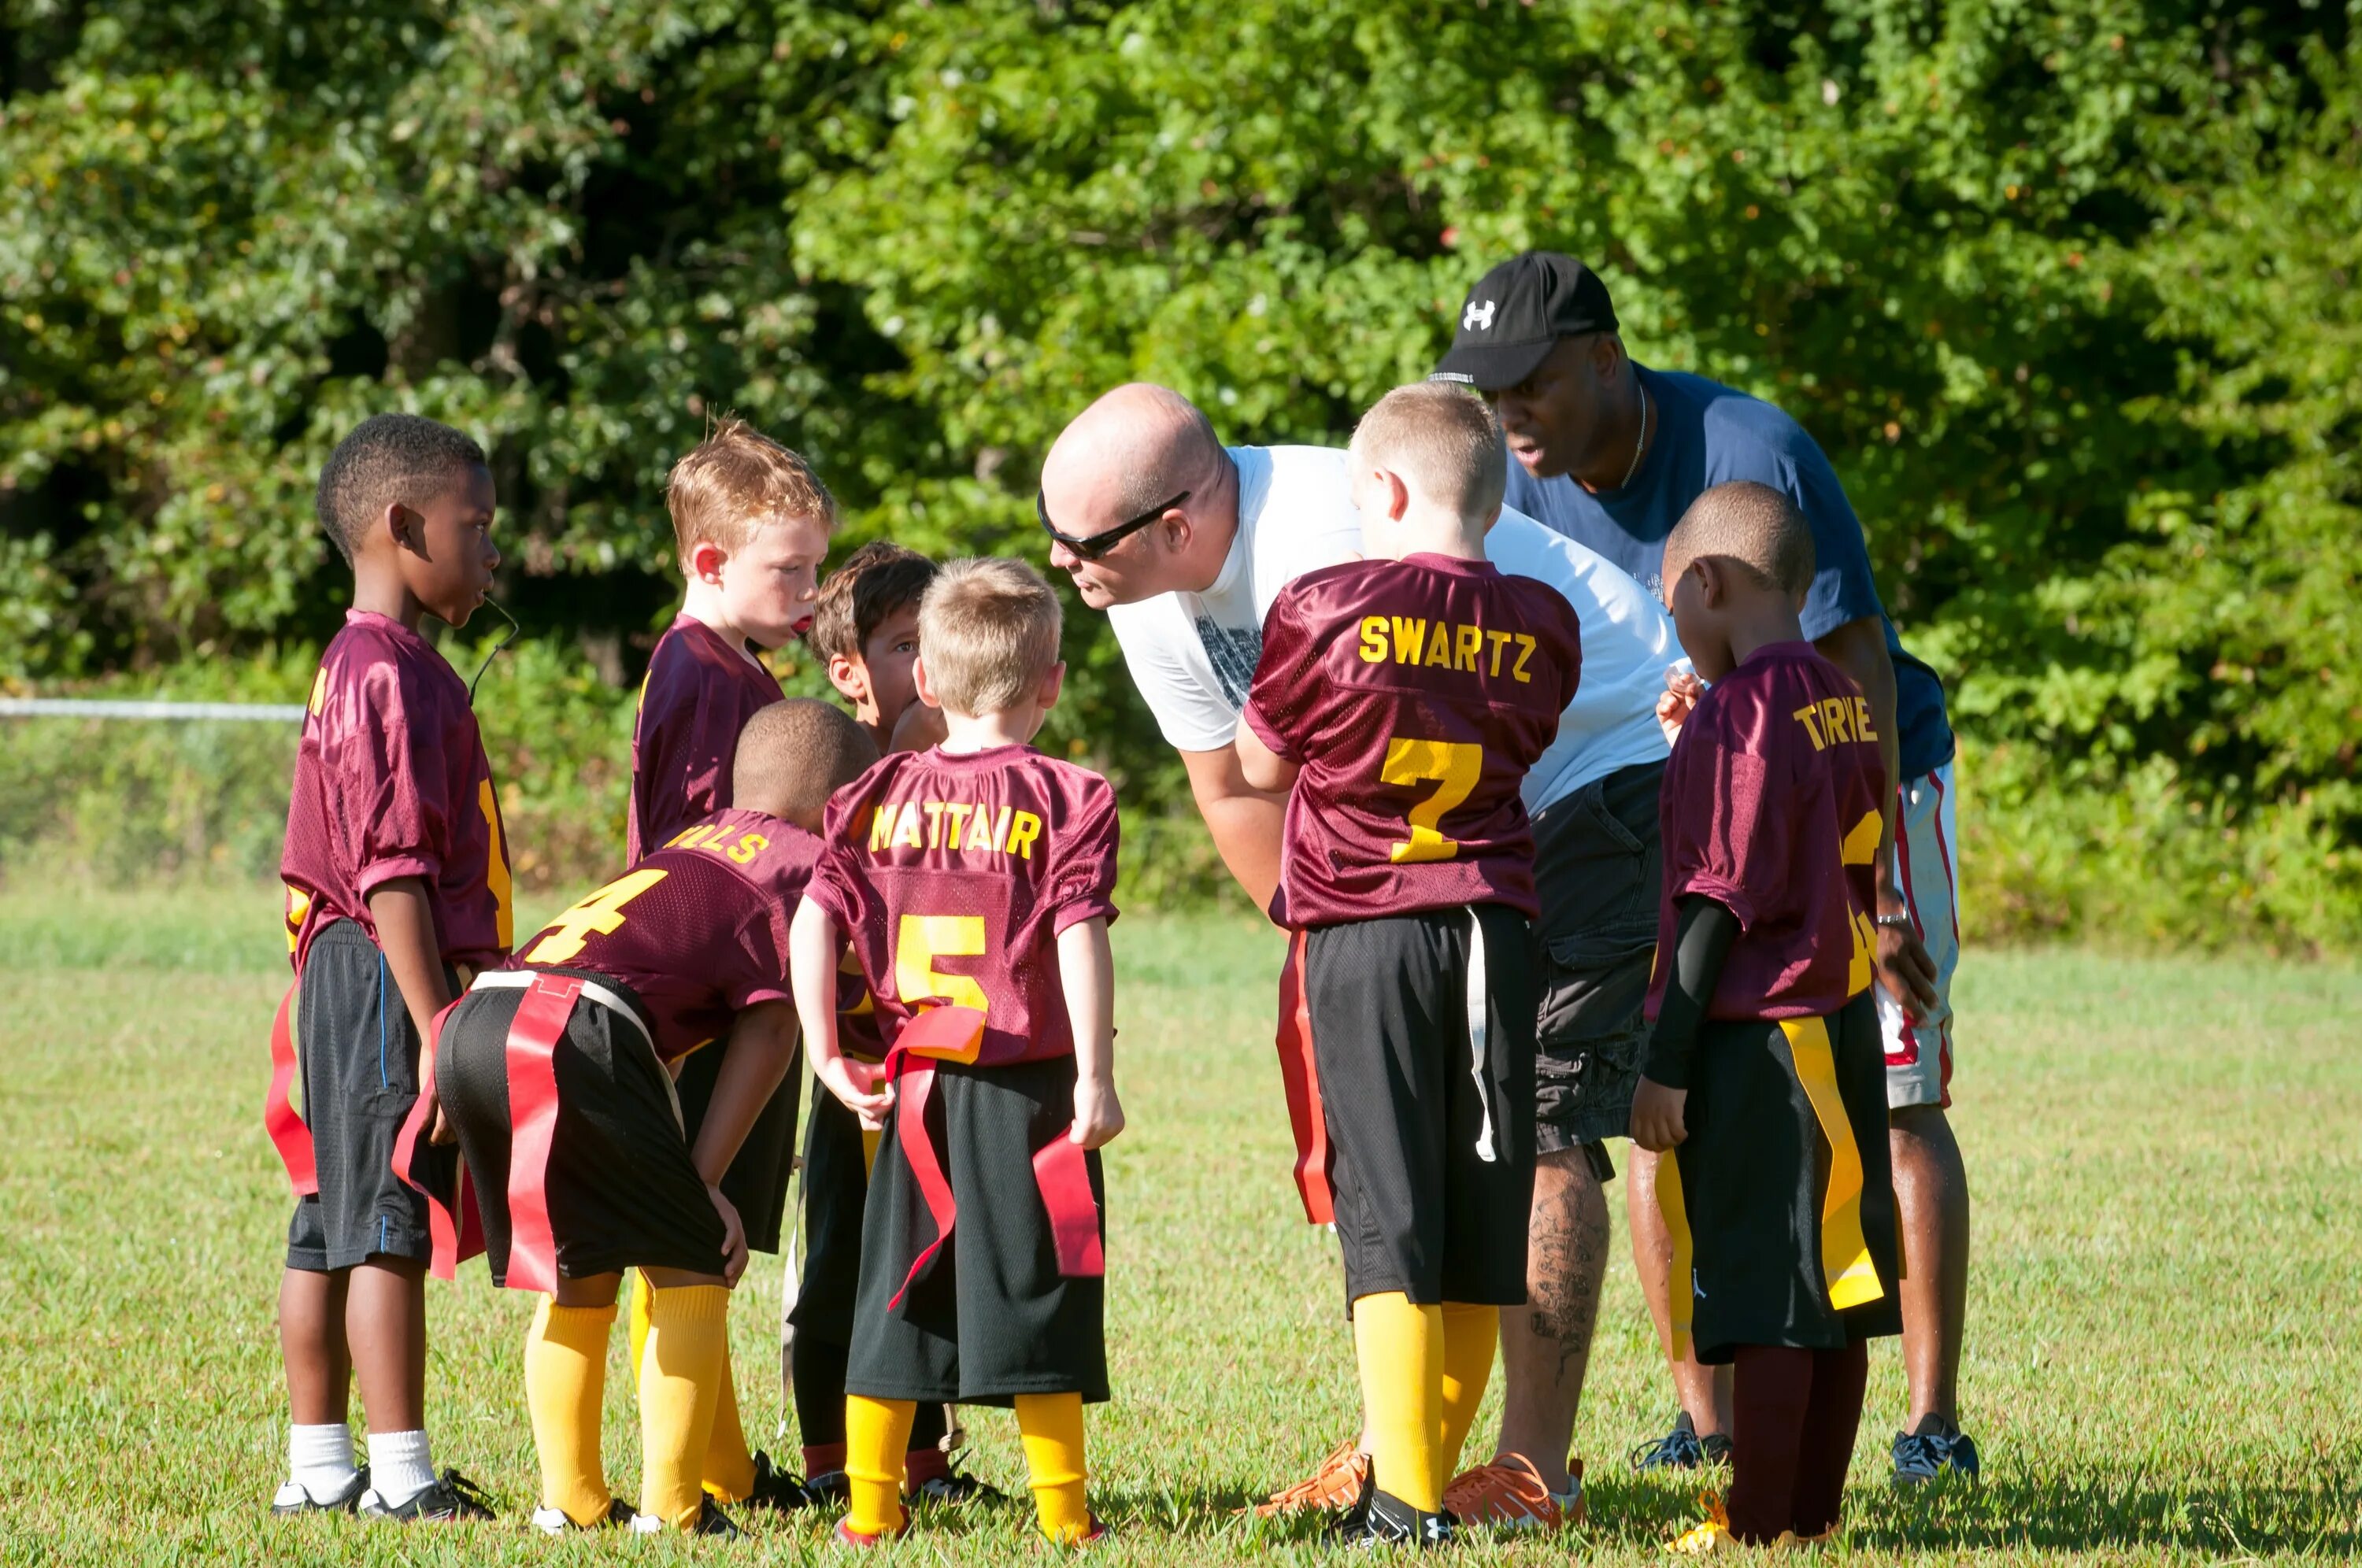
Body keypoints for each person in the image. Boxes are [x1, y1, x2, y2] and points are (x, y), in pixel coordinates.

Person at [1038, 383, 1680, 1525]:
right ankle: (1407, 1452)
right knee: (1411, 1150)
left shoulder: (1332, 546)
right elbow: (1229, 789)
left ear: (1174, 525)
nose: (1061, 564)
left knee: (1530, 1123)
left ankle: (1529, 1471)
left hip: (1601, 771)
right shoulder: (1145, 590)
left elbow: (1291, 765)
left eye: (1079, 544)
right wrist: (1323, 949)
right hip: (1454, 841)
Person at [1436, 251, 1975, 1481]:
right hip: (1673, 815)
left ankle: (1930, 1420)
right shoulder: (1510, 493)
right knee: (1657, 1104)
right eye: (1490, 390)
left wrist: (1878, 882)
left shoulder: (1748, 451)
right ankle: (1707, 1419)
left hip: (1855, 789)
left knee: (1891, 1092)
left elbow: (1859, 667)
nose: (1510, 413)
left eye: (1533, 382)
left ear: (1605, 359)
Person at [1234, 385, 1583, 1546]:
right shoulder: (1546, 617)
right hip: (1495, 922)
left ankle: (1404, 1495)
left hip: (1367, 922)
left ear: (1381, 490)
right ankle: (1423, 1477)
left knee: (1385, 1207)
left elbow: (1258, 760)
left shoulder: (1324, 602)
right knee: (1483, 1204)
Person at [427, 700, 874, 1537]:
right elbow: (773, 1025)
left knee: (580, 1272)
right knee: (694, 1263)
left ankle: (571, 1500)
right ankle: (675, 1510)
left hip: (485, 1018)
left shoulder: (694, 843)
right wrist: (699, 1184)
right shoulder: (809, 861)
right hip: (581, 1028)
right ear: (840, 805)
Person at [787, 558, 1122, 1548]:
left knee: (896, 1294)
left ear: (924, 681)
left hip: (914, 1087)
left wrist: (821, 1049)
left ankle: (868, 1511)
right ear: (1051, 681)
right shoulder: (1070, 795)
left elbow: (813, 917)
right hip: (1024, 1088)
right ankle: (1066, 1518)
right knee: (1042, 1288)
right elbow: (1078, 933)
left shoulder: (875, 791)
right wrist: (1097, 1075)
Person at [1627, 481, 1905, 1551]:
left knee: (1771, 1286)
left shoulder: (1740, 715)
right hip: (1835, 1023)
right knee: (1835, 1280)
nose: (1677, 634)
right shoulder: (1836, 692)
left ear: (1707, 583)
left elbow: (1718, 897)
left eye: (1673, 611)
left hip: (1763, 1039)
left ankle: (1756, 1524)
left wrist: (1666, 1059)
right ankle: (1814, 1517)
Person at [267, 412, 510, 1522]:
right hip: (380, 966)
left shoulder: (358, 658)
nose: (493, 551)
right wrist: (435, 1029)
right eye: (478, 525)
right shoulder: (390, 672)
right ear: (406, 525)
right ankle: (401, 1480)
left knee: (329, 1216)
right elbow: (396, 870)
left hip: (341, 960)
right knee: (385, 1222)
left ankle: (320, 1465)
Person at [620, 416, 835, 1511]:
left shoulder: (716, 663)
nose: (808, 590)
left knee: (702, 1255)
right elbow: (718, 859)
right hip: (715, 1006)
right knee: (699, 1243)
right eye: (787, 569)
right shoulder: (711, 680)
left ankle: (729, 1471)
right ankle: (692, 1485)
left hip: (706, 1002)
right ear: (709, 563)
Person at [789, 540, 998, 1504]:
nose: (927, 667)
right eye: (907, 643)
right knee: (842, 1259)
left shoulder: (981, 773)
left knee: (932, 1260)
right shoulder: (828, 769)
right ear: (849, 672)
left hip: (947, 1062)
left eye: (941, 642)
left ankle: (924, 1460)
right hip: (858, 1068)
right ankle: (831, 1463)